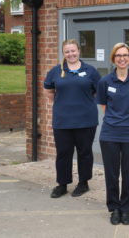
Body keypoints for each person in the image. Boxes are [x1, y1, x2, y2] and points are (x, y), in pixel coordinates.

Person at [96, 42, 129, 225]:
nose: (122, 58)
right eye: (118, 55)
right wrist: (117, 118)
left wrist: (125, 119)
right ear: (113, 58)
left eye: (125, 55)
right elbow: (104, 107)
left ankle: (125, 209)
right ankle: (114, 208)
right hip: (110, 133)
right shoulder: (105, 82)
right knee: (111, 174)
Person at [44, 39, 101, 198]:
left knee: (85, 152)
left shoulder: (90, 71)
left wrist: (85, 102)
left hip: (86, 120)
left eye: (73, 51)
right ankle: (62, 184)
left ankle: (83, 183)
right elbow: (48, 90)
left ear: (79, 51)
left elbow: (99, 92)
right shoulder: (56, 71)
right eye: (67, 51)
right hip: (62, 120)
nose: (71, 54)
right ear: (64, 53)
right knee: (63, 153)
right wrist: (62, 103)